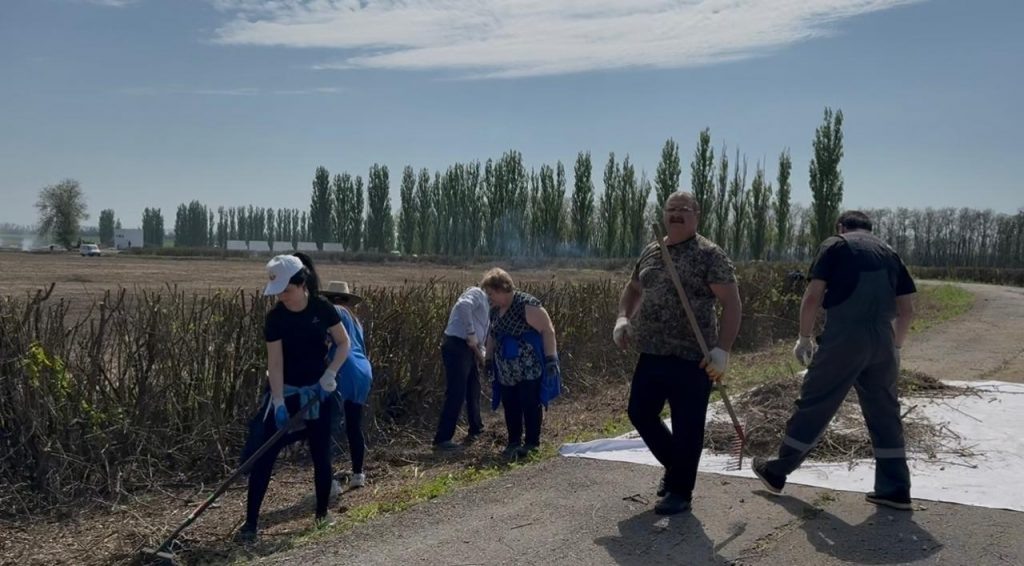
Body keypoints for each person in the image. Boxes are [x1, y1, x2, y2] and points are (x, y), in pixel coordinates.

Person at [752, 210, 917, 511]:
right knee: (885, 414)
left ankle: (776, 471)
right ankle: (895, 489)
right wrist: (895, 347)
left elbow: (813, 295)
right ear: (870, 230)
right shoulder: (890, 253)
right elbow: (906, 310)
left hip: (844, 339)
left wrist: (804, 337)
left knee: (816, 404)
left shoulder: (836, 245)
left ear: (841, 226)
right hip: (882, 342)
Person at [613, 191, 742, 515]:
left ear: (697, 215)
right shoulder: (652, 251)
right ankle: (676, 467)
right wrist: (623, 317)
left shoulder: (709, 255)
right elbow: (634, 288)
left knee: (688, 424)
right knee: (639, 412)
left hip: (693, 355)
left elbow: (732, 303)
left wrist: (722, 351)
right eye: (671, 209)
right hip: (652, 350)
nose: (676, 214)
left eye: (684, 209)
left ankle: (681, 492)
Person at [238, 253, 351, 541]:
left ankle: (321, 516)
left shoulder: (322, 308)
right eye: (278, 292)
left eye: (286, 291)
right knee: (265, 455)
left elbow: (343, 343)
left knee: (321, 455)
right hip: (285, 391)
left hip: (318, 392)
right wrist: (277, 401)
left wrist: (331, 373)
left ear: (301, 284)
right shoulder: (275, 318)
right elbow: (274, 363)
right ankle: (250, 524)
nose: (283, 297)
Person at [482, 268, 561, 459]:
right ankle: (513, 442)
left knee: (530, 403)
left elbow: (547, 330)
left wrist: (551, 358)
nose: (489, 298)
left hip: (528, 367)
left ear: (502, 288)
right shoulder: (495, 310)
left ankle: (532, 443)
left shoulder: (526, 304)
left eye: (491, 293)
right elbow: (493, 335)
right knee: (510, 404)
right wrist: (488, 359)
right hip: (506, 371)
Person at [321, 280, 373, 495]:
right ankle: (358, 474)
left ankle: (330, 482)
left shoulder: (333, 312)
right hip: (363, 370)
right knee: (354, 424)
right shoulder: (355, 319)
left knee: (328, 426)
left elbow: (324, 342)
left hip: (343, 369)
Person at [433, 285, 490, 451]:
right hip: (457, 345)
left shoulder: (489, 310)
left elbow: (481, 340)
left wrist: (484, 358)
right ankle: (442, 439)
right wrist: (471, 333)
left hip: (469, 349)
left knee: (474, 388)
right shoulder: (477, 293)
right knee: (456, 391)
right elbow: (463, 305)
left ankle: (476, 428)